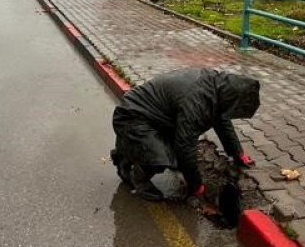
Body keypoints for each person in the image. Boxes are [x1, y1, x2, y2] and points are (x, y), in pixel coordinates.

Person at [110, 68, 260, 202]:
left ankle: (126, 155)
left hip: (155, 119)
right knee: (166, 157)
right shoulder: (197, 102)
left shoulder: (217, 88)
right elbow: (185, 146)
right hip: (131, 118)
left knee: (173, 152)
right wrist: (195, 184)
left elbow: (222, 120)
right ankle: (139, 178)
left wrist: (237, 152)